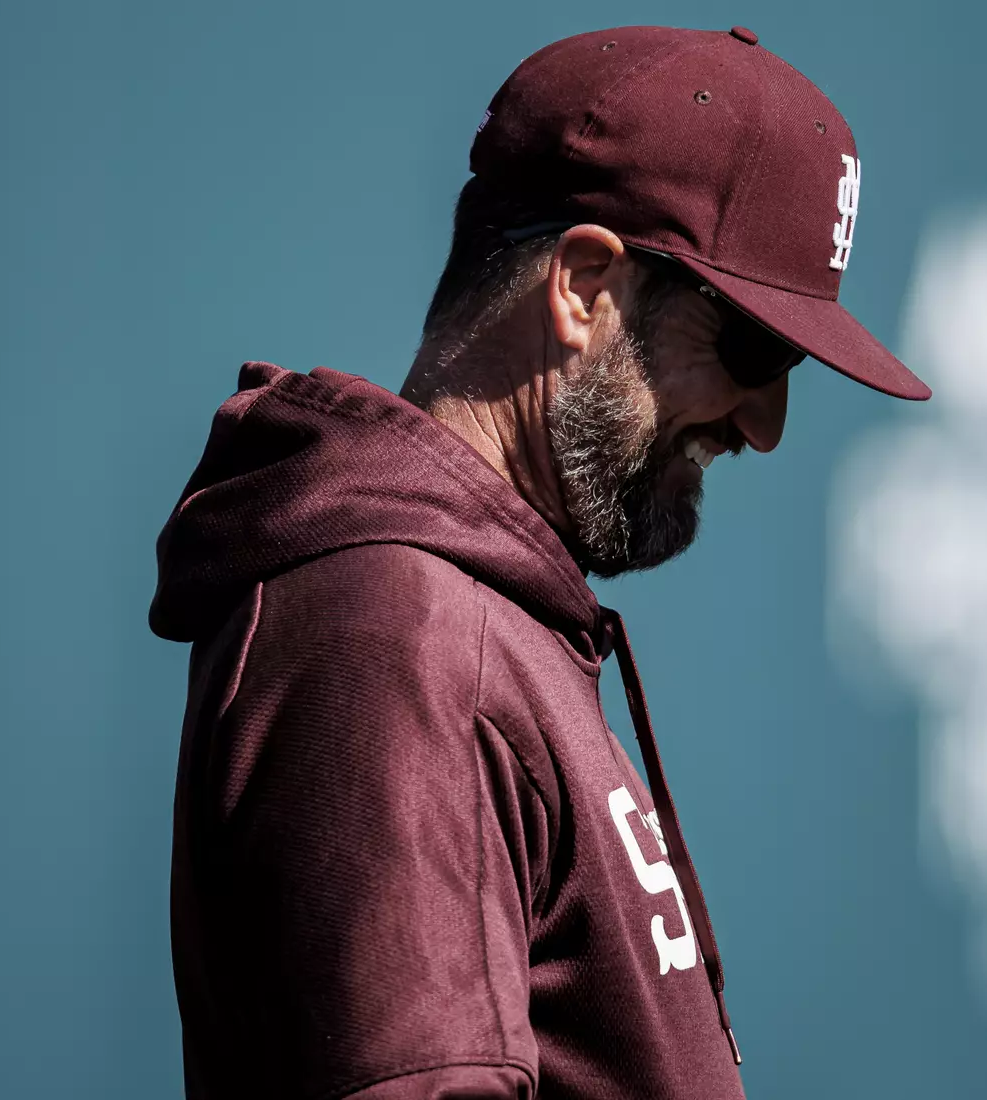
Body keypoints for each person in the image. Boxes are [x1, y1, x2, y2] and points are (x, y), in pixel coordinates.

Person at [148, 25, 929, 1100]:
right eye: (755, 347)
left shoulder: (465, 628)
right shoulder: (397, 631)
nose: (767, 426)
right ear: (584, 286)